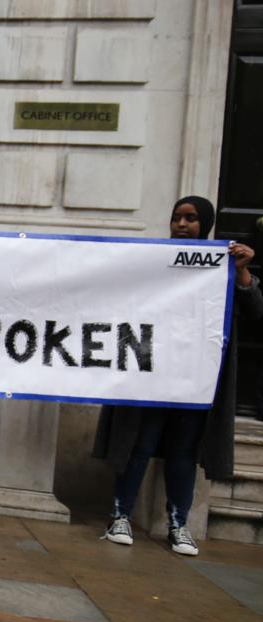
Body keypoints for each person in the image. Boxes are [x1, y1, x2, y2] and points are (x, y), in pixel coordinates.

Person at [94, 196, 261, 556]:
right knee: (141, 442)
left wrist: (243, 271)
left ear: (207, 224)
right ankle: (120, 516)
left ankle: (178, 524)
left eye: (191, 219)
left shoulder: (224, 265)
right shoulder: (155, 261)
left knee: (184, 450)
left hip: (196, 378)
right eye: (176, 218)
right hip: (155, 373)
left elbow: (254, 309)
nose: (182, 225)